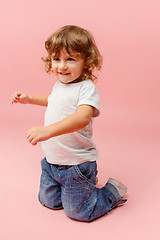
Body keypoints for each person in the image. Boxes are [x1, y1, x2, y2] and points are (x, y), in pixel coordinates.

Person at [11, 25, 127, 222]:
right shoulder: (60, 84)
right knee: (48, 201)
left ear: (86, 62)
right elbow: (53, 99)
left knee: (78, 212)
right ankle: (85, 188)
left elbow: (82, 117)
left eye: (70, 59)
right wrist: (29, 99)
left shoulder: (86, 89)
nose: (62, 66)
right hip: (51, 162)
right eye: (57, 59)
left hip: (76, 164)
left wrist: (48, 131)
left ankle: (111, 192)